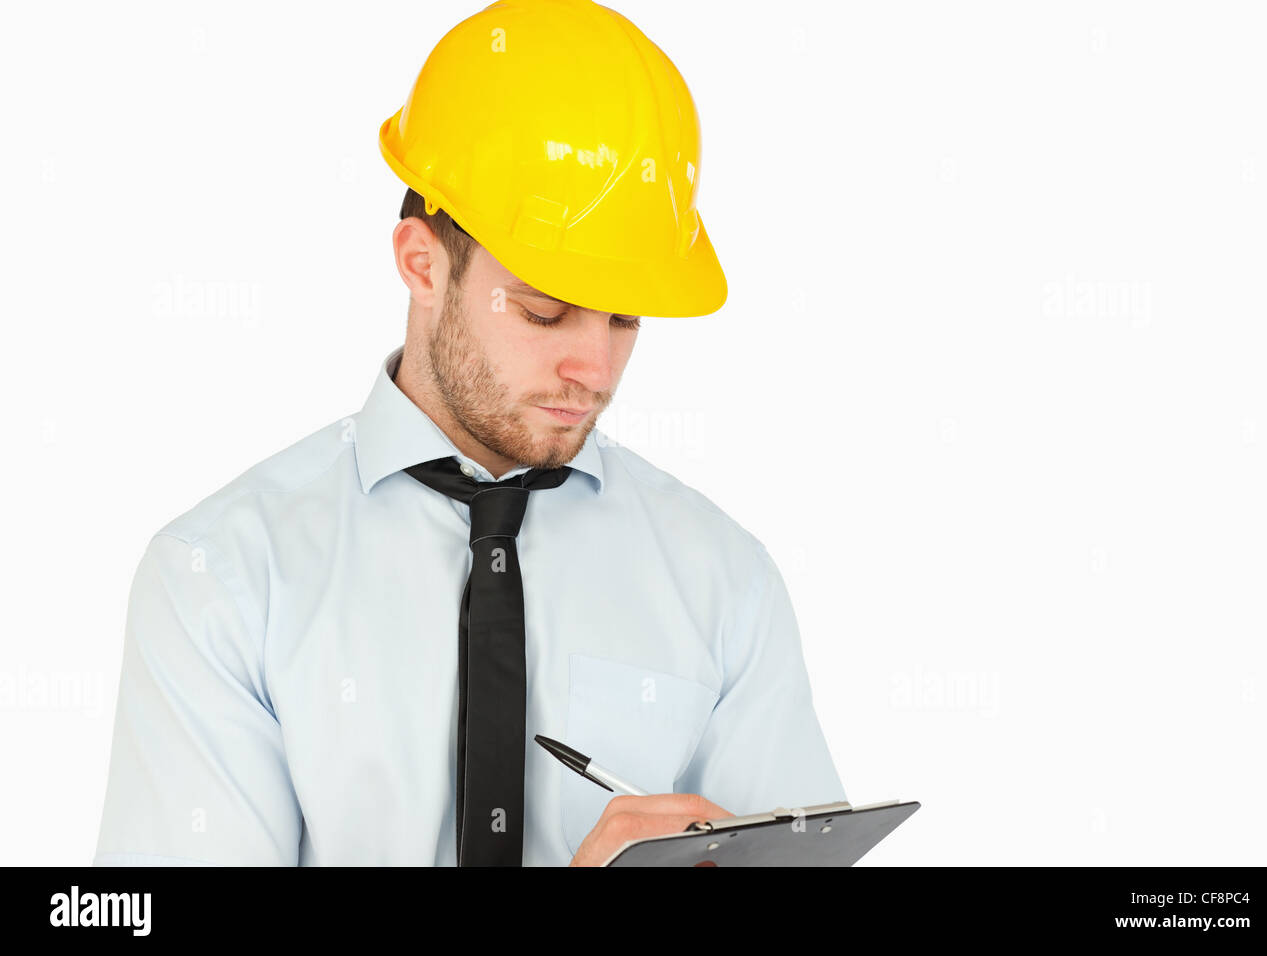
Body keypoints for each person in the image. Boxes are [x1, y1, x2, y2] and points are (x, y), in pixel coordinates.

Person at [93, 0, 845, 867]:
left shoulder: (724, 583)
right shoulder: (223, 580)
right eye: (544, 311)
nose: (594, 370)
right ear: (421, 262)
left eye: (625, 320)